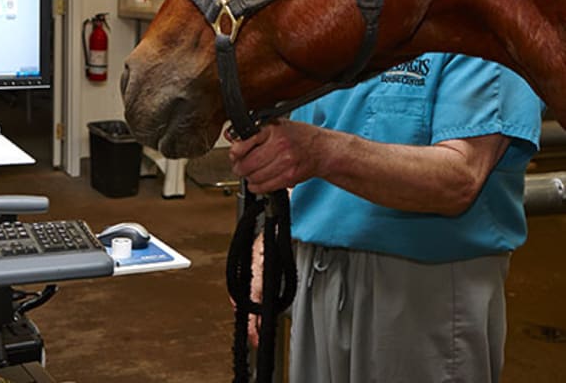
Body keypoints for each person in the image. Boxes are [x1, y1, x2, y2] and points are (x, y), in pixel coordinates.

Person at [228, 53, 543, 383]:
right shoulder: (351, 33)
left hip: (421, 288)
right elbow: (299, 160)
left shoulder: (481, 37)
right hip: (318, 272)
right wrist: (267, 248)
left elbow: (459, 179)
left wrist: (321, 152)